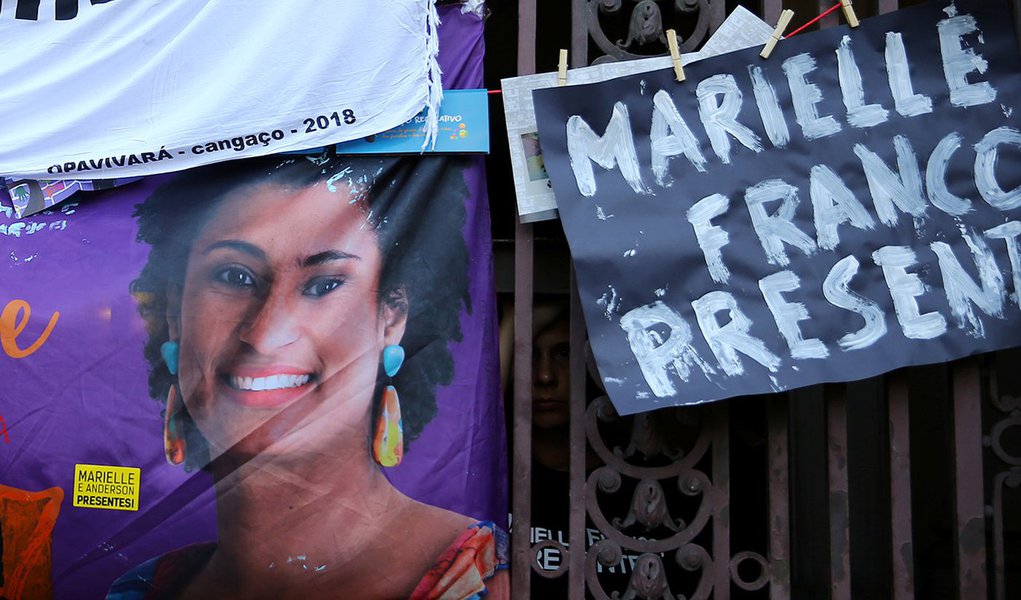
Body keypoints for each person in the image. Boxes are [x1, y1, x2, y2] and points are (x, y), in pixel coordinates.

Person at [108, 155, 508, 599]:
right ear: (174, 312)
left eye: (323, 285)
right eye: (234, 276)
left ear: (391, 318)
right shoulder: (140, 589)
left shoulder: (484, 580)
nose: (266, 334)